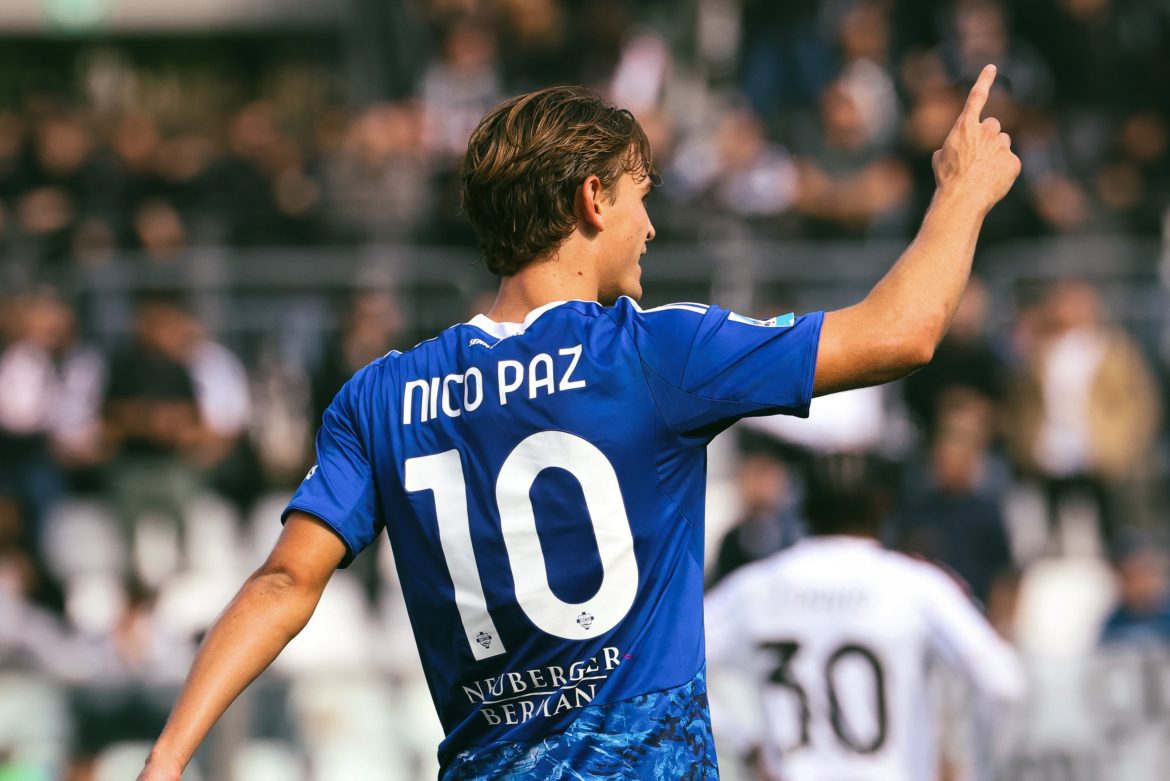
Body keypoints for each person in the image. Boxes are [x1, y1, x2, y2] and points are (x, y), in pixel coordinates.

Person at [138, 64, 1019, 780]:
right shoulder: (654, 354)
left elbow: (284, 583)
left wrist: (167, 760)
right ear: (593, 199)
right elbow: (902, 332)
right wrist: (963, 194)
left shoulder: (380, 397)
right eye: (642, 196)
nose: (651, 227)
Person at [705, 452, 1025, 781]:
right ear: (882, 505)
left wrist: (744, 742)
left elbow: (674, 664)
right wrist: (975, 768)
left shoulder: (756, 587)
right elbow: (1004, 684)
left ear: (804, 508)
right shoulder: (916, 585)